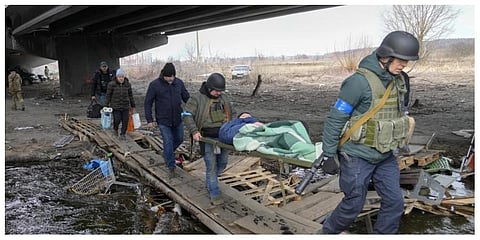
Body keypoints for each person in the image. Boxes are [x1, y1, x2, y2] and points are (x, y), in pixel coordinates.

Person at [320, 31, 419, 234]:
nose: (404, 65)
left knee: (395, 203)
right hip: (356, 156)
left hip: (385, 155)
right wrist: (329, 154)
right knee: (353, 206)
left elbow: (399, 112)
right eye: (401, 60)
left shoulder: (400, 80)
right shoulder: (358, 83)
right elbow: (335, 119)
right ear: (386, 56)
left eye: (407, 62)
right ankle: (325, 233)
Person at [183, 73, 235, 206]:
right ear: (209, 87)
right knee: (211, 166)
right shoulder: (197, 98)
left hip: (223, 136)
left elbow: (232, 112)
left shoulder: (224, 98)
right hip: (207, 138)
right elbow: (187, 114)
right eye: (216, 90)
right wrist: (194, 131)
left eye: (220, 91)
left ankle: (211, 181)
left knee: (223, 163)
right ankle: (214, 192)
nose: (218, 93)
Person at [144, 63, 190, 178]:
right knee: (168, 141)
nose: (170, 80)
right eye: (168, 78)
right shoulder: (155, 85)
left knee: (179, 139)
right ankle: (171, 166)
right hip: (163, 120)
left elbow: (187, 98)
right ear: (163, 75)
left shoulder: (179, 83)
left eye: (172, 78)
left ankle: (167, 153)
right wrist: (150, 119)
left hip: (177, 118)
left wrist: (194, 107)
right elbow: (148, 103)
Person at [104, 69, 136, 140]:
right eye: (119, 77)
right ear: (116, 77)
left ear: (124, 77)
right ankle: (115, 129)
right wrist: (105, 105)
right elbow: (108, 96)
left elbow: (130, 96)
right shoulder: (111, 84)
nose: (121, 78)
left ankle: (123, 134)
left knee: (125, 120)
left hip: (125, 106)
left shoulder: (127, 84)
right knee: (117, 119)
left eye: (122, 77)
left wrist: (133, 106)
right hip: (116, 106)